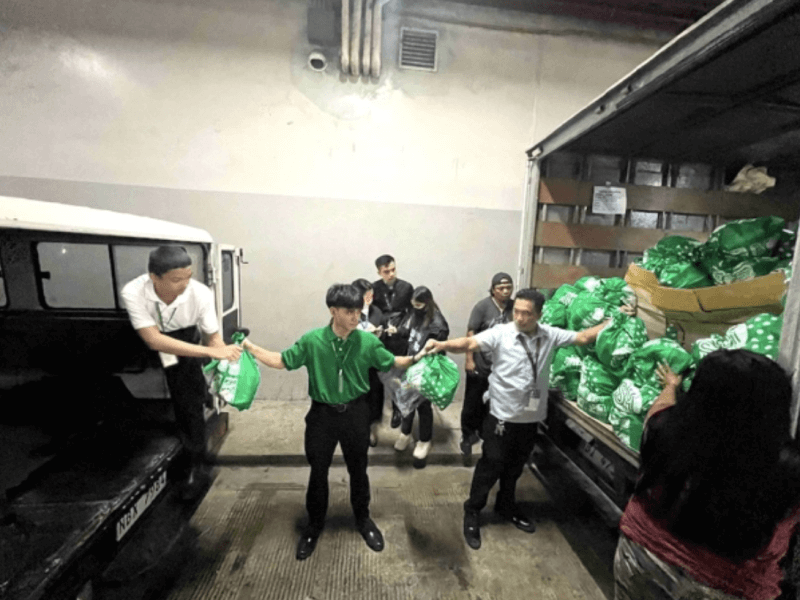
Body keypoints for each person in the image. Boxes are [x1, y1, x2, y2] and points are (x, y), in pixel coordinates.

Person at [242, 284, 425, 561]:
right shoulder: (313, 341)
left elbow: (391, 361)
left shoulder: (367, 342)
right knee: (318, 472)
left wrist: (418, 358)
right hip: (322, 416)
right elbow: (282, 361)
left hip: (356, 414)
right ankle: (313, 526)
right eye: (349, 312)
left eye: (358, 311)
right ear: (333, 311)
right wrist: (250, 347)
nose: (356, 317)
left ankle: (363, 520)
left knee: (359, 470)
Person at [424, 288, 616, 550]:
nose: (521, 318)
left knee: (515, 467)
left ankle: (506, 506)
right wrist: (442, 345)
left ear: (539, 314)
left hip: (530, 418)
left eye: (527, 313)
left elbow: (582, 337)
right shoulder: (502, 333)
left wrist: (612, 322)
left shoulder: (550, 334)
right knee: (491, 465)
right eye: (517, 312)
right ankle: (473, 511)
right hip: (502, 416)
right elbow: (469, 343)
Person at [614, 350, 800, 600]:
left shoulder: (667, 431)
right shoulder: (787, 468)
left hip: (639, 556)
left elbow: (657, 412)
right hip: (720, 586)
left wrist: (670, 387)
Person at [121, 246, 242, 499]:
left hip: (186, 334)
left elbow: (212, 338)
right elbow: (154, 340)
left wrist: (224, 363)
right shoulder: (133, 291)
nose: (186, 284)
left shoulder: (200, 293)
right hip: (151, 335)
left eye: (189, 276)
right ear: (155, 278)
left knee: (188, 398)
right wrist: (210, 353)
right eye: (177, 280)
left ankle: (194, 463)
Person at [392, 286, 449, 469]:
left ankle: (424, 440)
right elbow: (407, 331)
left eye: (418, 305)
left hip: (425, 369)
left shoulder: (437, 324)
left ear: (427, 303)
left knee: (423, 406)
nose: (415, 308)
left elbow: (435, 352)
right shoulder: (414, 314)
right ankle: (405, 432)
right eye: (413, 304)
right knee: (406, 401)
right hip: (410, 365)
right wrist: (393, 330)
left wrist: (421, 363)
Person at [461, 272, 514, 458]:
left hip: (501, 369)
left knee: (491, 403)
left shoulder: (514, 308)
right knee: (472, 402)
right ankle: (467, 435)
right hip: (480, 365)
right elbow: (471, 334)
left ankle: (485, 433)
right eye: (501, 288)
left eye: (509, 287)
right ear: (493, 289)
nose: (506, 291)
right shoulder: (482, 307)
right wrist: (469, 359)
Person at [372, 254, 414, 428]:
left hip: (399, 334)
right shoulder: (374, 288)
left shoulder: (406, 287)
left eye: (393, 269)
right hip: (380, 335)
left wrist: (403, 329)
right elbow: (370, 311)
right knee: (379, 373)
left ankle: (398, 409)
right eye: (386, 271)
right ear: (379, 272)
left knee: (398, 374)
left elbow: (412, 312)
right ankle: (377, 412)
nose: (390, 274)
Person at [351, 278, 384, 447]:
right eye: (366, 296)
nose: (369, 299)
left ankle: (370, 427)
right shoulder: (347, 311)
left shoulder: (376, 312)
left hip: (370, 361)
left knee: (373, 393)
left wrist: (377, 333)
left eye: (371, 295)